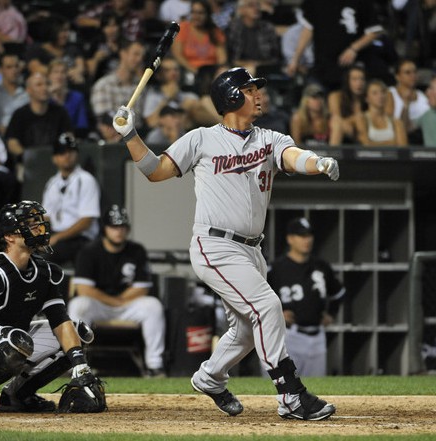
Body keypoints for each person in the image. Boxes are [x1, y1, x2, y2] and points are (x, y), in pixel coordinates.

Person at [112, 66, 339, 420]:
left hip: (252, 249)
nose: (258, 94)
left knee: (248, 330)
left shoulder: (269, 138)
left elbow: (294, 156)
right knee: (267, 306)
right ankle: (290, 394)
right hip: (214, 243)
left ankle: (210, 377)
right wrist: (130, 136)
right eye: (250, 90)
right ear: (232, 97)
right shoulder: (201, 138)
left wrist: (318, 162)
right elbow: (155, 171)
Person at [0, 200, 104, 413]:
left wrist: (80, 365)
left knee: (77, 333)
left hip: (15, 339)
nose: (39, 227)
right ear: (9, 236)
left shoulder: (43, 271)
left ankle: (17, 395)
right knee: (15, 340)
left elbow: (60, 320)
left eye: (38, 222)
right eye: (29, 223)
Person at [69, 204, 166, 377]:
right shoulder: (89, 251)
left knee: (153, 306)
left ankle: (154, 365)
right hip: (99, 305)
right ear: (104, 228)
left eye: (122, 226)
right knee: (78, 304)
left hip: (126, 305)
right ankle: (76, 363)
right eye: (114, 227)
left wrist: (120, 302)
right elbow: (84, 289)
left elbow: (142, 288)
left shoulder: (137, 250)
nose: (118, 231)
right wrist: (114, 301)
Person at [267, 217, 346, 377]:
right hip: (288, 335)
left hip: (317, 336)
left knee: (316, 388)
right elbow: (259, 300)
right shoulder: (276, 268)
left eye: (309, 235)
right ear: (290, 239)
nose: (307, 240)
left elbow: (339, 293)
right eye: (301, 235)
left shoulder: (321, 266)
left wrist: (331, 314)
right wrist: (277, 314)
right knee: (285, 384)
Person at [286, 0, 383, 92]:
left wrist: (354, 48)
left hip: (352, 69)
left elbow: (374, 31)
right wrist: (295, 59)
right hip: (323, 66)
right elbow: (308, 28)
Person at [41, 134, 101, 266]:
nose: (66, 155)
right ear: (54, 158)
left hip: (81, 239)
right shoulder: (52, 182)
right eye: (62, 152)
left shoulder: (86, 180)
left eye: (70, 151)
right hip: (57, 237)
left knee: (46, 258)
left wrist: (57, 238)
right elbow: (46, 216)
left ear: (76, 154)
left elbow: (86, 221)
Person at [5, 72, 73, 179]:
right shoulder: (20, 114)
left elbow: (68, 136)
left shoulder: (60, 112)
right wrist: (26, 156)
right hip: (28, 163)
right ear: (28, 90)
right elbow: (12, 142)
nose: (45, 88)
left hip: (55, 161)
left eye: (47, 84)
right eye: (39, 85)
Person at [90, 40, 147, 132]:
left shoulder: (140, 87)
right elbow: (104, 120)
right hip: (112, 140)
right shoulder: (104, 85)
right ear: (123, 54)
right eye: (136, 54)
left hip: (137, 138)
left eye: (141, 56)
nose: (139, 59)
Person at [170, 0, 227, 78]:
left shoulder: (215, 31)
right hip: (189, 71)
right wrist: (195, 71)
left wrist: (218, 71)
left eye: (201, 13)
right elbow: (178, 55)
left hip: (212, 72)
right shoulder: (183, 28)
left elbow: (222, 58)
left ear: (208, 14)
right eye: (193, 12)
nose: (196, 16)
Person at [226, 0, 281, 76]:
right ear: (241, 10)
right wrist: (247, 64)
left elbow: (275, 57)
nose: (256, 8)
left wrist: (257, 64)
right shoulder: (233, 29)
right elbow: (230, 57)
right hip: (238, 67)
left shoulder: (268, 28)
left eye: (257, 5)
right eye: (250, 5)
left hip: (265, 67)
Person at [386, 59, 430, 145]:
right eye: (408, 72)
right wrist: (406, 105)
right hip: (398, 141)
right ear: (397, 76)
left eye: (414, 72)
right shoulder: (390, 94)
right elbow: (389, 124)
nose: (413, 75)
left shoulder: (422, 97)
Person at [355, 79, 408, 147]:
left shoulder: (396, 122)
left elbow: (403, 148)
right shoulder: (361, 119)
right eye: (375, 93)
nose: (380, 96)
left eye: (383, 92)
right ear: (367, 98)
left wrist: (374, 143)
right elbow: (366, 145)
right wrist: (392, 142)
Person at [0, 52, 29, 136]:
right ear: (0, 70)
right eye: (9, 67)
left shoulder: (28, 94)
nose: (14, 70)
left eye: (16, 66)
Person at [327, 65, 366, 145]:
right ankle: (332, 155)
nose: (359, 83)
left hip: (364, 133)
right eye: (354, 79)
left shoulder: (369, 98)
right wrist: (355, 119)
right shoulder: (336, 96)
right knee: (336, 122)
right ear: (347, 81)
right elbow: (336, 118)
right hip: (345, 131)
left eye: (361, 79)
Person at [418, 75, 436, 147]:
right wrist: (406, 104)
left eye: (431, 88)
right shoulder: (427, 115)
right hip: (429, 157)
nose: (427, 93)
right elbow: (407, 127)